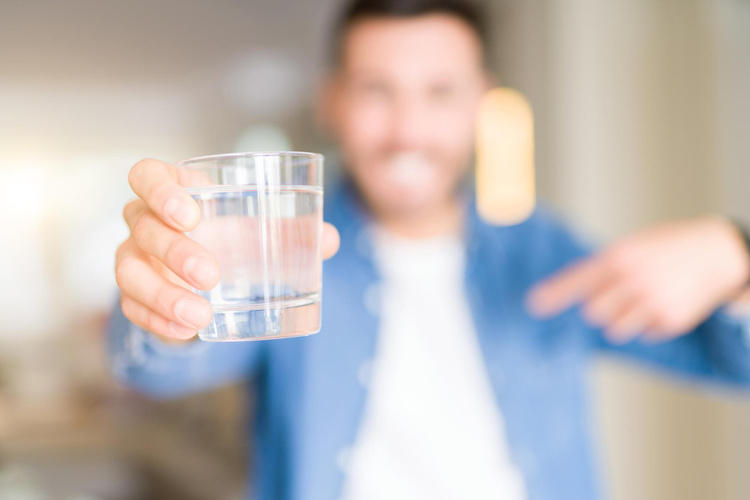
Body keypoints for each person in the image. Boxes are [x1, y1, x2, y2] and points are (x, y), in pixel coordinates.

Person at [108, 0, 750, 499]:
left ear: (480, 100)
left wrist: (739, 258)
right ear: (332, 100)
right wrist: (166, 300)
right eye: (376, 90)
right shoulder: (282, 252)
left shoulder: (546, 253)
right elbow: (152, 369)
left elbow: (733, 363)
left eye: (440, 92)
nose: (408, 130)